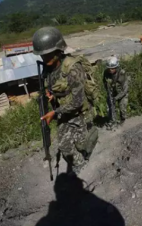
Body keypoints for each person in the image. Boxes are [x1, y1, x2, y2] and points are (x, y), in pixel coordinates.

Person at [33, 26, 96, 173]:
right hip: (64, 112)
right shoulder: (47, 69)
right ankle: (79, 165)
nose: (45, 58)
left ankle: (86, 154)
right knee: (64, 146)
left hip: (79, 113)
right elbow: (56, 87)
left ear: (58, 51)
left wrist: (54, 113)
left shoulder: (73, 69)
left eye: (48, 54)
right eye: (42, 55)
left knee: (83, 145)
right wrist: (52, 95)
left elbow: (78, 101)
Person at [103, 56, 129, 129]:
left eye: (113, 68)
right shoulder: (106, 72)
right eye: (109, 68)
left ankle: (122, 120)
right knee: (110, 107)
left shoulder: (122, 73)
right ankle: (112, 120)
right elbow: (104, 82)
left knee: (122, 108)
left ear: (116, 67)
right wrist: (109, 92)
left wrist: (117, 98)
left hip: (122, 93)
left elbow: (125, 89)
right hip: (112, 92)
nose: (111, 70)